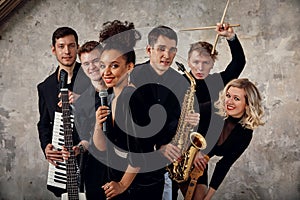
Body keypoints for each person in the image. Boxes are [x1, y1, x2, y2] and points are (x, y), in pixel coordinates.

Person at [174, 22, 247, 200]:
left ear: (213, 63)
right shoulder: (177, 82)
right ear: (188, 61)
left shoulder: (217, 81)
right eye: (196, 62)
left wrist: (230, 37)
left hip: (199, 154)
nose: (200, 68)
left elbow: (239, 62)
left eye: (206, 63)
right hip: (175, 150)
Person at [129, 25, 200, 200]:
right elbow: (131, 124)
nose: (167, 56)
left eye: (172, 50)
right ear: (148, 50)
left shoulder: (182, 82)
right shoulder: (133, 76)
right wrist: (157, 147)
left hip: (169, 165)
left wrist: (192, 121)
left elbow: (182, 125)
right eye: (161, 49)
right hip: (136, 166)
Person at [92, 20, 143, 200]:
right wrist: (99, 125)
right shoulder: (112, 98)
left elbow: (139, 154)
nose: (106, 72)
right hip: (117, 179)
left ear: (129, 67)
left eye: (114, 66)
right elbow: (102, 147)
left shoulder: (132, 99)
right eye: (103, 65)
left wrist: (122, 185)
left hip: (137, 188)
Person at [37, 26, 90, 197]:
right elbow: (44, 124)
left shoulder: (92, 75)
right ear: (54, 49)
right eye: (61, 46)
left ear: (77, 47)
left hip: (93, 159)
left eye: (71, 45)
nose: (67, 51)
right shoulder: (45, 87)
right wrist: (46, 147)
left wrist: (82, 99)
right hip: (64, 164)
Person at [191, 78, 264, 200]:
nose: (229, 102)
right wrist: (194, 151)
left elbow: (224, 165)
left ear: (247, 104)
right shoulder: (211, 109)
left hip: (199, 164)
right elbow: (182, 124)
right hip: (178, 154)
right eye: (228, 96)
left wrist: (208, 197)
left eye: (236, 98)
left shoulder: (245, 134)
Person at [74, 41, 109, 199]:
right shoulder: (81, 103)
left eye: (95, 61)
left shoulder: (123, 90)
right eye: (86, 63)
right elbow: (86, 140)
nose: (92, 67)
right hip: (96, 171)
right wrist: (78, 149)